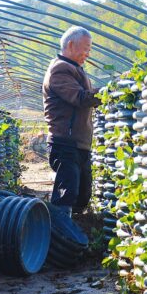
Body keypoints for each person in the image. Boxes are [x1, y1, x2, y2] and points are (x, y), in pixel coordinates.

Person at [42, 26, 101, 217]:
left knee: (82, 195)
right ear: (70, 44)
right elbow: (80, 98)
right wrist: (107, 92)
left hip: (80, 144)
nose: (88, 53)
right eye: (86, 48)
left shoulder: (75, 69)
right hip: (66, 143)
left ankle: (75, 235)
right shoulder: (59, 69)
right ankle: (60, 237)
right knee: (66, 195)